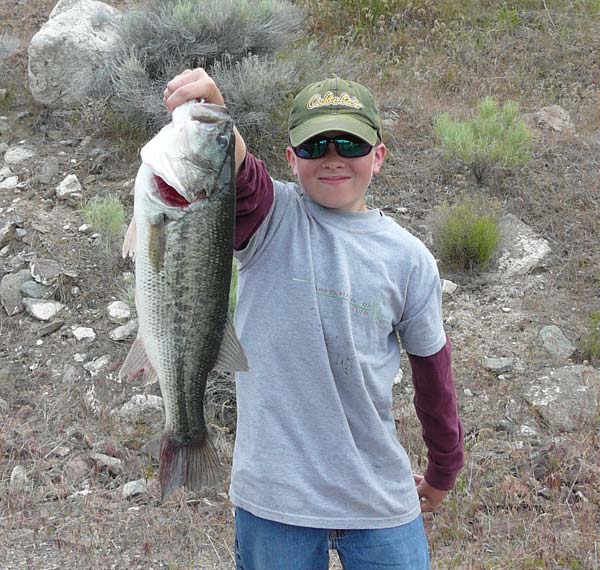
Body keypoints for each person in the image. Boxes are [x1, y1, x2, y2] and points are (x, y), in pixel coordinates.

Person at [162, 68, 464, 570]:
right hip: (275, 496)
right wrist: (213, 109)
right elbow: (235, 171)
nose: (332, 159)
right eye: (314, 146)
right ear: (290, 158)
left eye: (349, 144)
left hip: (377, 497)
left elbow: (434, 376)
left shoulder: (409, 258)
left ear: (379, 156)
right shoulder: (269, 216)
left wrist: (444, 467)